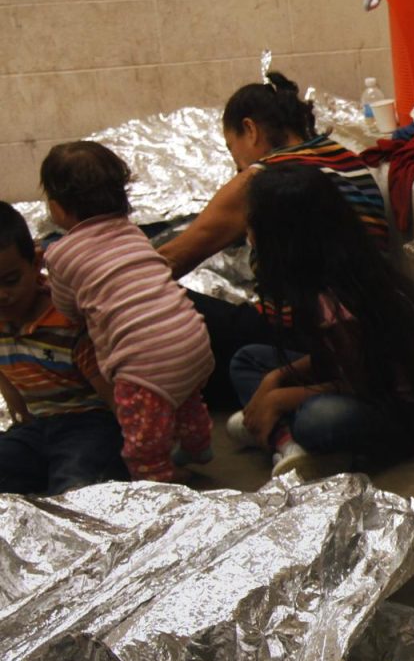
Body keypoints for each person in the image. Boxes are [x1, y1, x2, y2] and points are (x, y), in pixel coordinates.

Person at [158, 71, 388, 405]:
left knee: (154, 303)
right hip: (368, 324)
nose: (235, 163)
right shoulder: (347, 160)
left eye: (230, 148)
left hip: (304, 333)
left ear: (249, 130)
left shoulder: (264, 179)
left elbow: (171, 260)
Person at [227, 165, 414, 478]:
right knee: (247, 361)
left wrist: (282, 398)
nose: (247, 232)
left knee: (317, 419)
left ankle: (291, 439)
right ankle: (287, 441)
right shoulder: (327, 275)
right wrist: (273, 380)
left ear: (284, 238)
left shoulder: (340, 302)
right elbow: (335, 359)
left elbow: (366, 385)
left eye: (254, 222)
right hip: (361, 380)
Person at [41, 142, 214, 483]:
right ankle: (199, 446)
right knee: (184, 399)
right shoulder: (131, 231)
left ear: (58, 207)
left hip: (144, 364)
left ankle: (161, 484)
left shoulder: (60, 255)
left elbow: (67, 307)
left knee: (141, 440)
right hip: (193, 338)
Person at [0, 201, 128, 494]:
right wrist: (20, 423)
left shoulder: (67, 322)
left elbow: (110, 394)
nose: (2, 296)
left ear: (35, 264)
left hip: (89, 423)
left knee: (78, 485)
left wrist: (138, 445)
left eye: (10, 281)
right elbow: (8, 383)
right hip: (38, 427)